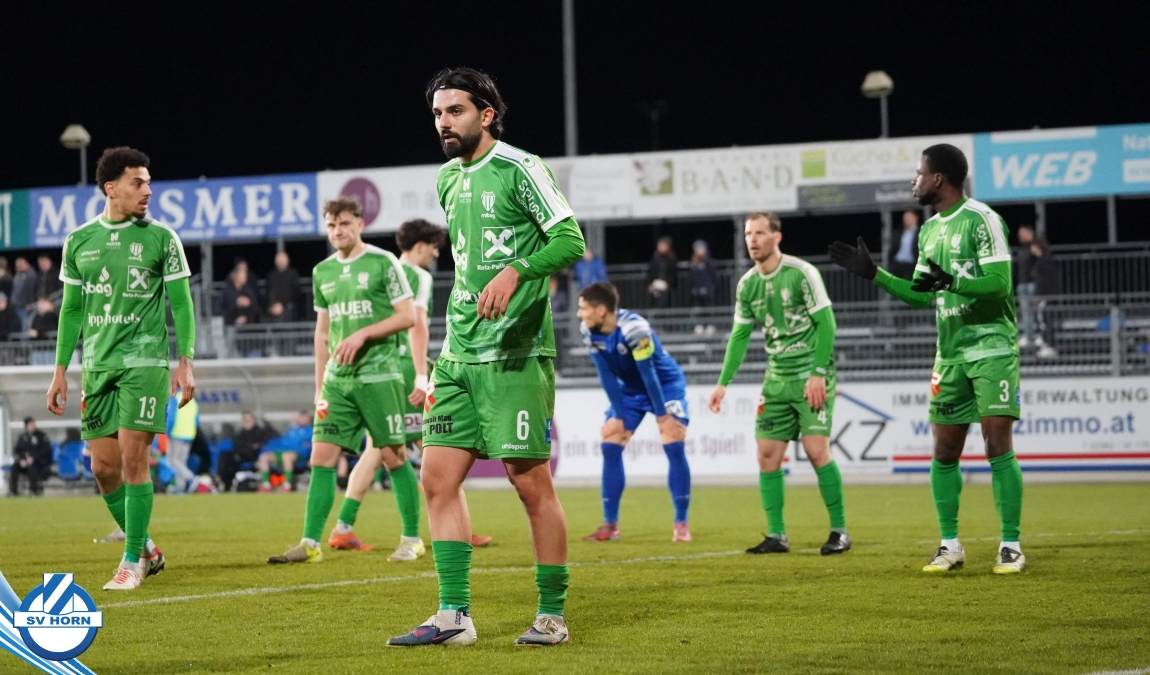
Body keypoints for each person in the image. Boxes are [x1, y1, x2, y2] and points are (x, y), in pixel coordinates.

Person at [387, 67, 584, 648]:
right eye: (438, 114)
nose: (443, 123)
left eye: (455, 111)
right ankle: (454, 617)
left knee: (530, 485)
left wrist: (517, 269)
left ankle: (552, 617)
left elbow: (569, 239)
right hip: (458, 354)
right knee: (437, 480)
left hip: (515, 354)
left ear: (487, 114)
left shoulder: (521, 167)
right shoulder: (448, 178)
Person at [829, 143, 1025, 575]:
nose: (913, 180)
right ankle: (950, 546)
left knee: (997, 445)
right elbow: (922, 295)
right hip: (949, 355)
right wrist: (875, 274)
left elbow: (1000, 284)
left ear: (938, 178)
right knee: (944, 450)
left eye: (918, 173)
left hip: (991, 347)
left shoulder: (982, 219)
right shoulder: (929, 231)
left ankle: (1010, 545)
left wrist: (952, 281)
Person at [47, 146, 196, 590]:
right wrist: (60, 370)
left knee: (134, 460)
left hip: (144, 363)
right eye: (138, 182)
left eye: (148, 182)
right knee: (102, 469)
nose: (148, 190)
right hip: (97, 366)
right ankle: (147, 547)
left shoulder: (162, 238)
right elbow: (71, 310)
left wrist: (185, 361)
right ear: (111, 189)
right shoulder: (78, 241)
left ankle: (132, 562)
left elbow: (182, 304)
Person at [266, 197, 417, 567]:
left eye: (345, 223)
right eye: (332, 225)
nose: (338, 231)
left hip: (379, 375)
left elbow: (408, 316)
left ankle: (412, 539)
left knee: (393, 455)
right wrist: (319, 387)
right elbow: (322, 334)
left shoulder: (383, 262)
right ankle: (310, 543)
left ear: (360, 225)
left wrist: (362, 334)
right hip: (338, 381)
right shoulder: (323, 271)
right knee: (321, 456)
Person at [710, 212, 850, 557]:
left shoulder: (801, 273)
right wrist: (723, 382)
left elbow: (827, 324)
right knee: (767, 455)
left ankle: (839, 531)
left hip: (809, 375)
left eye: (760, 233)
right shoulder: (747, 285)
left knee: (816, 450)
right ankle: (777, 535)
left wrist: (818, 372)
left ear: (777, 237)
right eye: (748, 234)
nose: (753, 240)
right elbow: (739, 336)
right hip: (776, 378)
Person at [576, 281, 692, 542]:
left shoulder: (635, 328)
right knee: (610, 443)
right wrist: (618, 415)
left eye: (583, 308)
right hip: (630, 390)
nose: (579, 314)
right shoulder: (588, 331)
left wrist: (662, 416)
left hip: (665, 387)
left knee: (673, 441)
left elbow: (649, 373)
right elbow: (606, 374)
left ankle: (681, 521)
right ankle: (610, 525)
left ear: (601, 310)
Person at [258, 410, 312, 493]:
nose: (304, 419)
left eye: (306, 417)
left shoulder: (311, 430)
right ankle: (266, 485)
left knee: (287, 456)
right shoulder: (292, 430)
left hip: (299, 456)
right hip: (283, 453)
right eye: (302, 417)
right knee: (264, 457)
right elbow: (283, 442)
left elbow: (309, 446)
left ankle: (287, 485)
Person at [165, 388, 200, 494]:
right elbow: (197, 421)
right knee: (181, 462)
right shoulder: (192, 400)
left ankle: (191, 478)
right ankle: (180, 487)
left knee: (173, 460)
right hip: (189, 435)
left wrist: (168, 431)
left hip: (177, 433)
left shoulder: (175, 398)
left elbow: (171, 417)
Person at [9, 417, 52, 496]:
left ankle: (33, 490)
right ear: (26, 426)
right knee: (14, 467)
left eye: (33, 424)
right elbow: (17, 450)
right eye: (30, 424)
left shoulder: (41, 436)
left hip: (38, 462)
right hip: (25, 462)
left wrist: (33, 458)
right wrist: (22, 459)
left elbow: (45, 450)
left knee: (33, 468)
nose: (33, 426)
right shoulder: (22, 437)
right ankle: (13, 491)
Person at [1032, 236, 1059, 359]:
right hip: (1045, 295)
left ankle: (1049, 345)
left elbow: (1045, 280)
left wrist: (1041, 295)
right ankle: (1046, 343)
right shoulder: (1044, 260)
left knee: (1044, 320)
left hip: (1045, 295)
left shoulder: (1044, 261)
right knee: (1043, 320)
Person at [1014, 225, 1037, 348]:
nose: (1020, 236)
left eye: (1023, 233)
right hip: (1022, 284)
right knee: (1025, 312)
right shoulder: (1021, 250)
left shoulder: (1035, 247)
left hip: (1031, 284)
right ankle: (1028, 336)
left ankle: (1034, 336)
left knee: (1034, 312)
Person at [222, 260, 261, 326]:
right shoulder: (228, 291)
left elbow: (256, 307)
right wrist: (237, 302)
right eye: (243, 274)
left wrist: (249, 303)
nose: (246, 276)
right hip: (231, 325)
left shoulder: (248, 290)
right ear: (236, 275)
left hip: (247, 325)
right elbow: (224, 307)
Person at [266, 252, 301, 322]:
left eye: (282, 259)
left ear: (287, 260)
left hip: (289, 307)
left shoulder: (293, 275)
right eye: (279, 259)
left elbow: (295, 293)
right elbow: (268, 292)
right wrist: (272, 305)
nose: (281, 261)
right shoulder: (271, 275)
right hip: (274, 307)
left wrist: (282, 305)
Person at [647, 236, 677, 308]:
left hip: (666, 287)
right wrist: (651, 284)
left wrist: (667, 285)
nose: (660, 247)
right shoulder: (655, 259)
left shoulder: (671, 259)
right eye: (659, 245)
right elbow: (651, 273)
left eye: (663, 245)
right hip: (655, 286)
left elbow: (673, 276)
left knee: (664, 304)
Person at [891, 210, 921, 280]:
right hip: (898, 265)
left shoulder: (921, 232)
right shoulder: (898, 232)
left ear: (915, 218)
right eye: (904, 218)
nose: (906, 219)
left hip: (912, 265)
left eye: (908, 217)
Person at [688, 239, 719, 307]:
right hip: (696, 293)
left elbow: (714, 278)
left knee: (709, 309)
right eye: (697, 249)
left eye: (701, 249)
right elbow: (692, 278)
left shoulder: (710, 263)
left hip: (708, 293)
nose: (699, 251)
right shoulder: (693, 264)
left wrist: (711, 289)